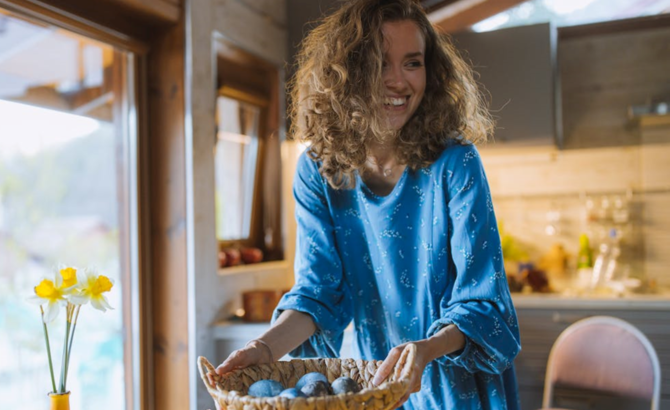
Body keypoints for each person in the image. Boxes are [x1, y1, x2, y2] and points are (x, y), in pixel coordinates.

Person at [215, 0, 521, 409]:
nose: (399, 81)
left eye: (412, 63)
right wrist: (264, 349)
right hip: (376, 384)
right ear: (345, 75)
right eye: (379, 65)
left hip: (457, 386)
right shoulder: (318, 172)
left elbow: (482, 302)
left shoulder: (456, 163)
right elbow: (317, 294)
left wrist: (426, 350)